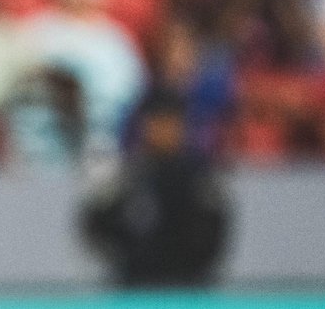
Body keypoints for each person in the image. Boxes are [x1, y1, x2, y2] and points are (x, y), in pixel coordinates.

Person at [81, 92, 230, 287]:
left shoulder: (198, 176)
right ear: (145, 125)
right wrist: (123, 259)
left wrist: (196, 266)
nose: (164, 130)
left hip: (189, 284)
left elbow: (216, 226)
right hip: (135, 284)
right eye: (158, 122)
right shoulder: (128, 175)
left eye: (171, 122)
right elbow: (96, 223)